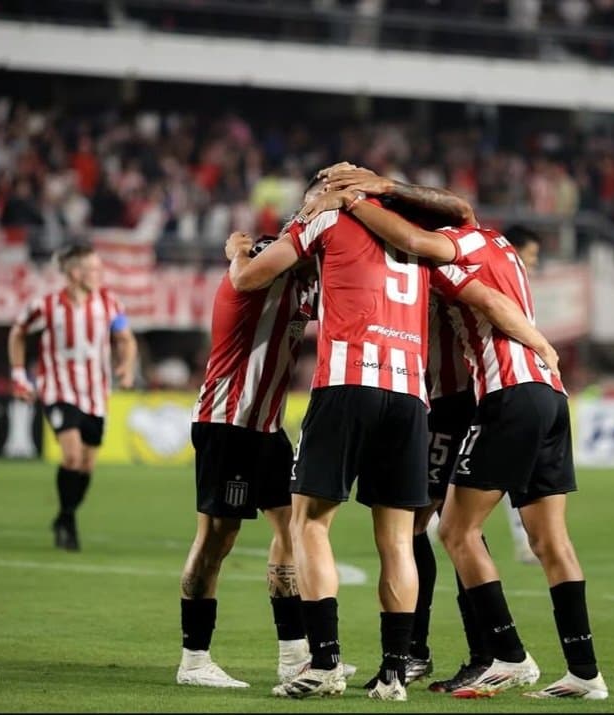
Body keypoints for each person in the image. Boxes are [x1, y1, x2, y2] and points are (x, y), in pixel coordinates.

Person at [234, 173, 562, 702]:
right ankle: (393, 672)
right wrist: (541, 344)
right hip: (411, 397)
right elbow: (493, 302)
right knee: (398, 536)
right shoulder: (426, 255)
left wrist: (304, 215)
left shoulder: (328, 218)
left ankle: (323, 663)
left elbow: (250, 279)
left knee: (309, 522)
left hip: (347, 383)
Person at [302, 173, 609, 700]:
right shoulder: (502, 246)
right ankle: (584, 671)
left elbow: (470, 285)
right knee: (546, 541)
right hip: (547, 394)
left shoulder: (450, 253)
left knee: (451, 530)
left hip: (494, 396)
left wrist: (352, 199)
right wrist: (546, 349)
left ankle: (503, 654)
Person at [177, 233, 354, 689]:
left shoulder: (300, 288)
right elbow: (243, 268)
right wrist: (238, 250)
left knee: (293, 528)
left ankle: (294, 654)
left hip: (268, 429)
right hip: (228, 423)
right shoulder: (253, 277)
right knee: (218, 536)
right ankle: (194, 660)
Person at [8, 243, 136, 551]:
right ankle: (68, 519)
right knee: (72, 456)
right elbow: (18, 332)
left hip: (95, 393)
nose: (98, 274)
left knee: (87, 466)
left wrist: (126, 367)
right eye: (93, 269)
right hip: (58, 390)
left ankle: (66, 515)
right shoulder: (46, 305)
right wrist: (18, 375)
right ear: (74, 272)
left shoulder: (109, 303)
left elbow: (125, 338)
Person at [501, 224, 543, 565]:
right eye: (531, 256)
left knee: (511, 468)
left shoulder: (520, 286)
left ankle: (525, 540)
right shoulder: (498, 283)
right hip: (493, 388)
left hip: (507, 389)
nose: (533, 263)